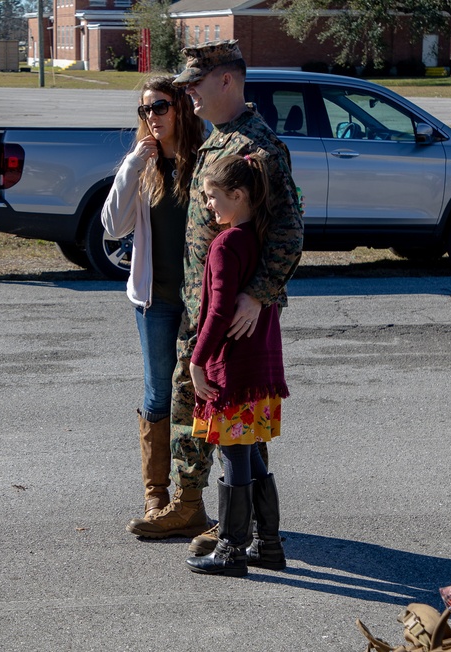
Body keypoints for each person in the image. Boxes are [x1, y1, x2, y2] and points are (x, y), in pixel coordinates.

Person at [126, 40, 303, 549]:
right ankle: (233, 521)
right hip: (200, 305)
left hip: (229, 313)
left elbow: (289, 231)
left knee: (209, 404)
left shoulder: (258, 148)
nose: (188, 95)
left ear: (226, 80)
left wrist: (258, 295)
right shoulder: (218, 138)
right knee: (217, 409)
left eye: (195, 84)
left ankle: (209, 517)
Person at [100, 76, 205, 528]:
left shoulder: (203, 161)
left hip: (201, 301)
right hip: (155, 300)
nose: (152, 117)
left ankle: (189, 499)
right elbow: (112, 225)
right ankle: (155, 495)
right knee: (158, 393)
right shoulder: (142, 165)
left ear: (181, 108)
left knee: (199, 397)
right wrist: (130, 166)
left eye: (160, 107)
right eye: (145, 110)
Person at [184, 154, 288, 576]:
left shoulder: (226, 244)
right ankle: (268, 546)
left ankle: (231, 550)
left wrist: (197, 359)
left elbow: (219, 312)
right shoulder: (261, 240)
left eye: (212, 198)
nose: (208, 206)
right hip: (260, 368)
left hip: (234, 369)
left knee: (233, 454)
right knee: (249, 454)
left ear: (238, 195)